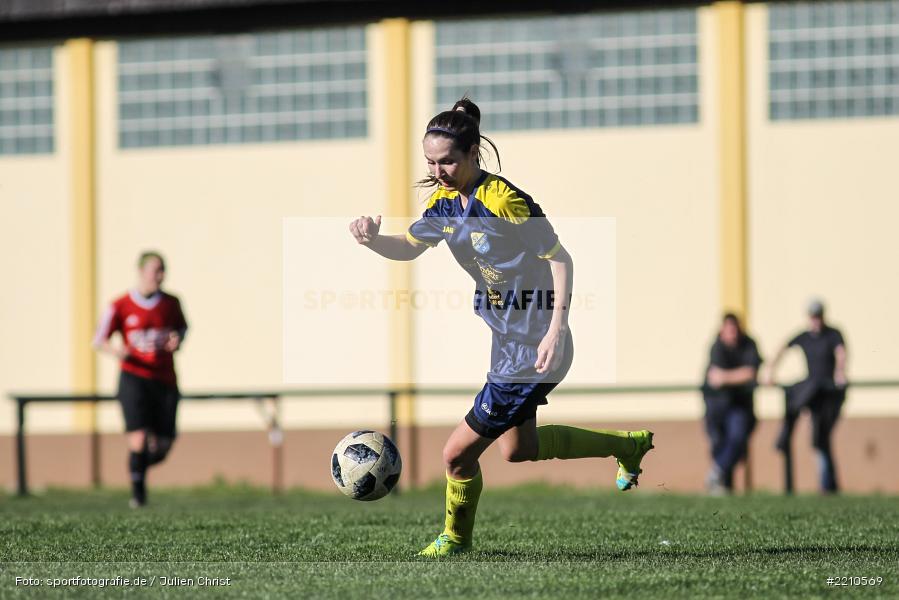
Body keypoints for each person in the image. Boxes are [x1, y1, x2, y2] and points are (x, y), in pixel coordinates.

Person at [349, 97, 654, 557]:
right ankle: (627, 446)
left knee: (456, 454)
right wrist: (372, 241)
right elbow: (409, 247)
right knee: (517, 449)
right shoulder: (444, 205)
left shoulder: (505, 200)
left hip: (534, 346)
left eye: (448, 160)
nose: (438, 170)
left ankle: (455, 540)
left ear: (474, 153)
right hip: (507, 340)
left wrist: (556, 330)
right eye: (430, 162)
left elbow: (560, 259)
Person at [93, 251, 188, 507]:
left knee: (163, 446)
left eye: (162, 270)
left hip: (165, 379)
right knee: (138, 438)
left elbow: (182, 328)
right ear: (141, 271)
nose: (160, 275)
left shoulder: (171, 303)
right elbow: (98, 339)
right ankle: (138, 495)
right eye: (155, 270)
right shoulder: (120, 305)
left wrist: (177, 340)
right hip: (134, 377)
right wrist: (117, 350)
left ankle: (137, 469)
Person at [765, 299, 847, 493]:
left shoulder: (833, 334)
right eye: (813, 316)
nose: (816, 320)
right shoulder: (805, 337)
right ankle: (828, 485)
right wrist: (770, 369)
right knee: (818, 438)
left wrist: (840, 371)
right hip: (812, 395)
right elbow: (783, 347)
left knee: (820, 439)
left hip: (828, 395)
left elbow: (841, 353)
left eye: (818, 316)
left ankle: (828, 484)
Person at [701, 313, 762, 495]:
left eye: (734, 329)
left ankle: (716, 473)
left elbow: (750, 372)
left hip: (739, 406)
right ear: (722, 330)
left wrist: (726, 377)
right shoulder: (716, 347)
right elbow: (714, 377)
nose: (732, 333)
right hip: (716, 406)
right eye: (728, 329)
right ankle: (722, 486)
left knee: (737, 438)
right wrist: (738, 375)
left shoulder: (749, 345)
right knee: (718, 443)